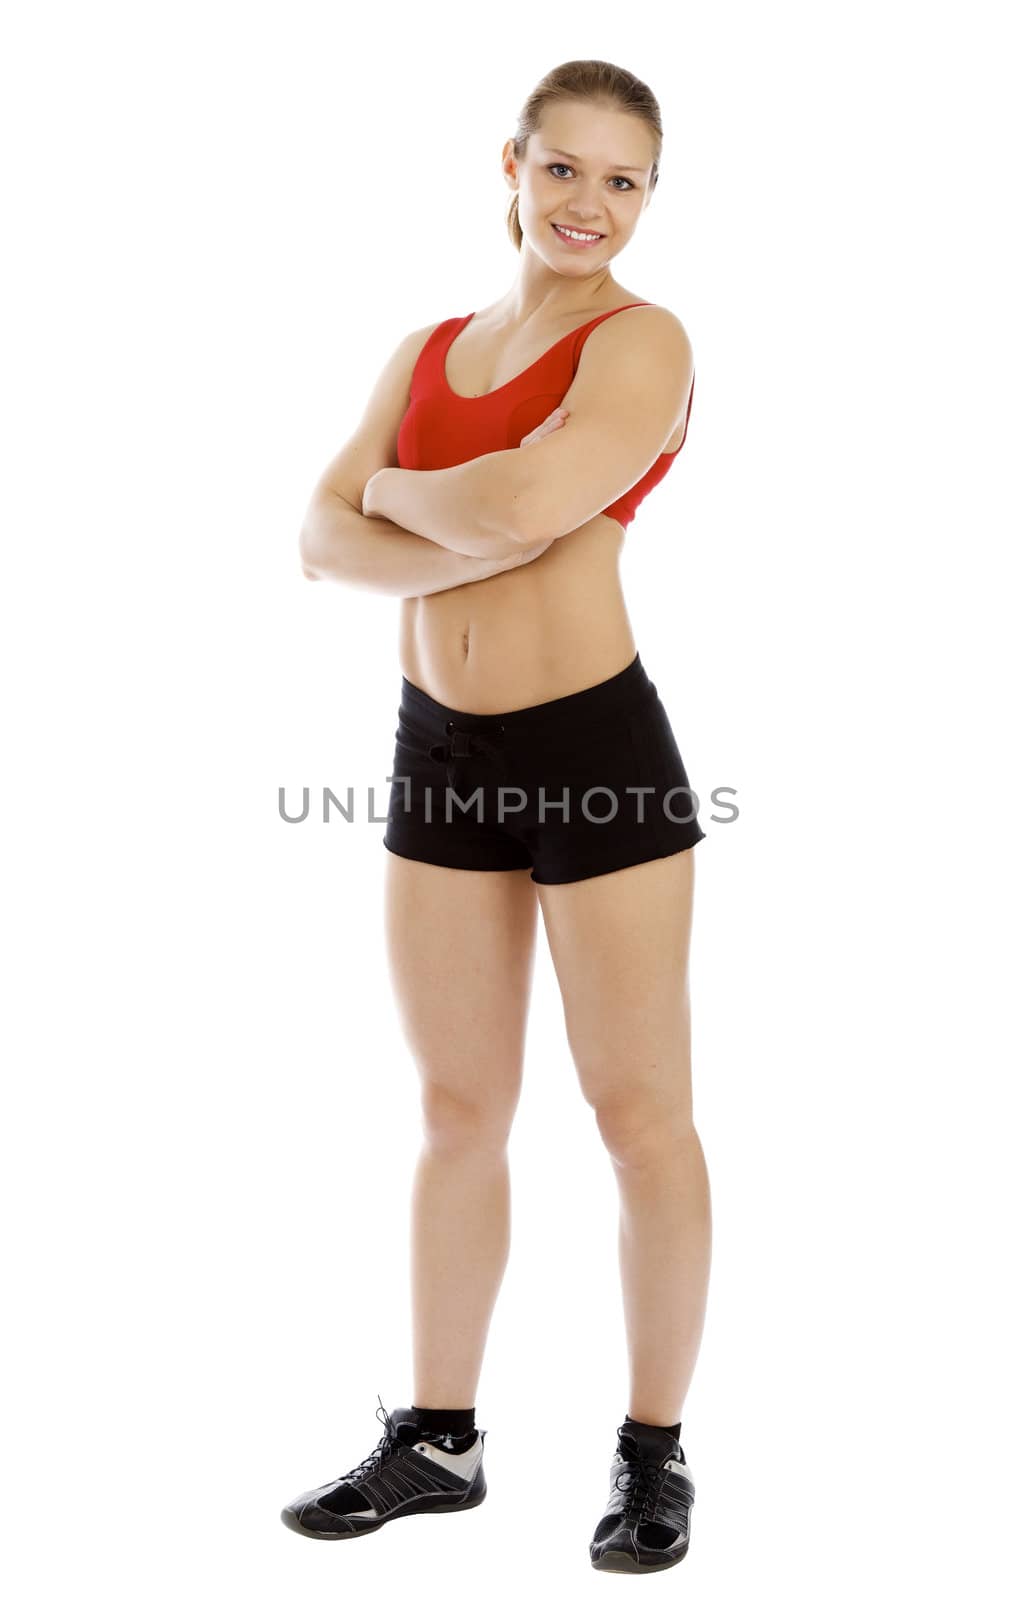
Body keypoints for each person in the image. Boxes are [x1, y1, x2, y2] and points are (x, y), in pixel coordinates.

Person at [283, 58, 711, 1575]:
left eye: (624, 180)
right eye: (566, 170)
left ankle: (652, 1456)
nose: (591, 204)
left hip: (597, 745)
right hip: (436, 751)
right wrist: (426, 498)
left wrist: (400, 495)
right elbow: (318, 549)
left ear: (647, 196)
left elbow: (528, 512)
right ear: (512, 166)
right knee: (457, 1110)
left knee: (635, 1115)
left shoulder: (641, 345)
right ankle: (440, 1443)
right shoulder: (426, 351)